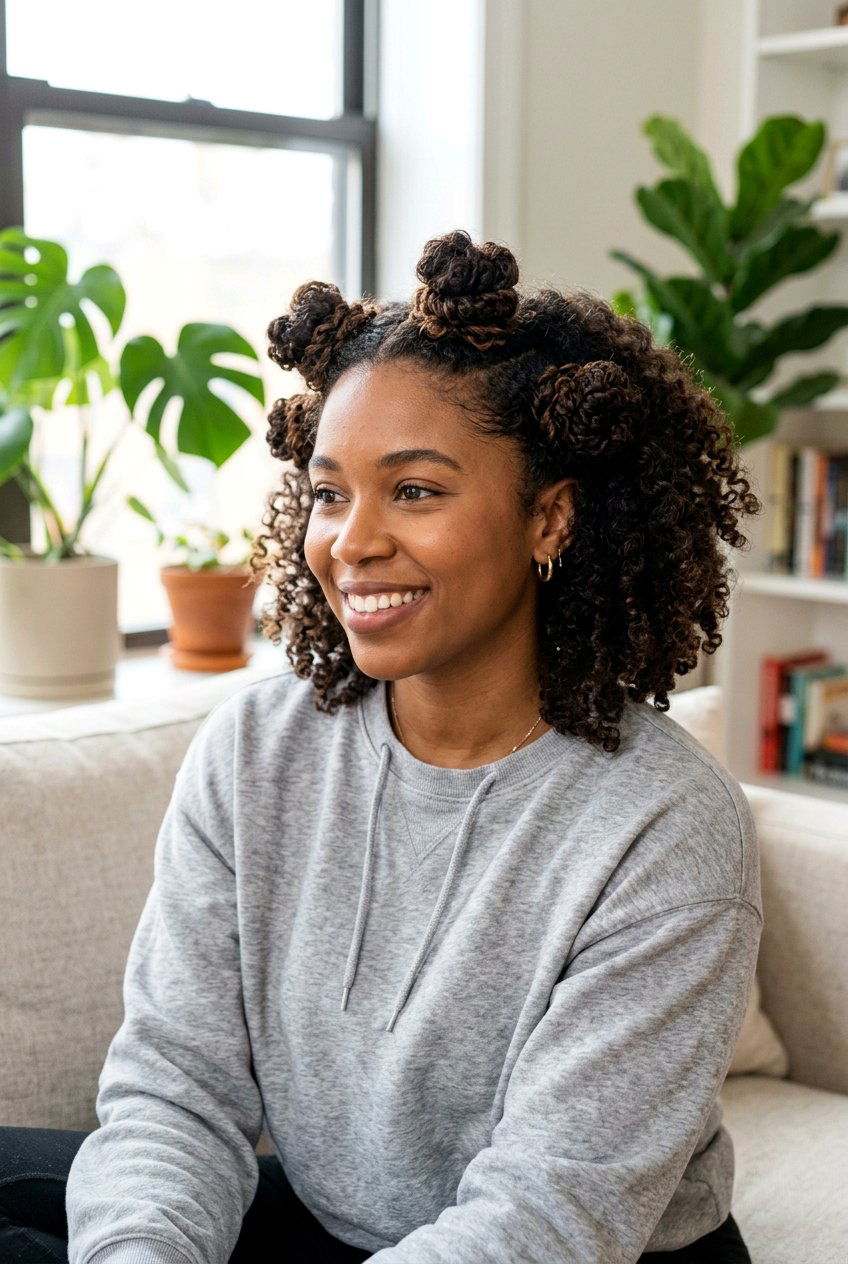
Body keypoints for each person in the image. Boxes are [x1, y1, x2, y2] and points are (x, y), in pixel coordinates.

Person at [2, 229, 763, 1263]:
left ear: (550, 516)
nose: (349, 542)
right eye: (327, 491)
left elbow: (545, 1217)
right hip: (336, 1224)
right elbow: (177, 1090)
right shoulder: (255, 751)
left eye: (413, 490)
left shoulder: (661, 822)